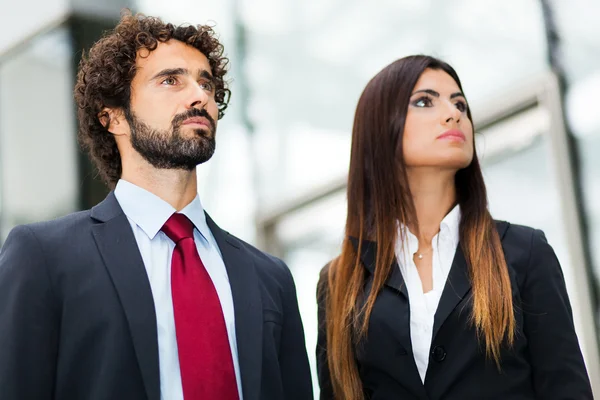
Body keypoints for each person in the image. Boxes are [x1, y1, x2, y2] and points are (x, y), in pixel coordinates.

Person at [0, 10, 313, 400]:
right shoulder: (44, 256)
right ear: (113, 117)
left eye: (206, 83)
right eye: (170, 80)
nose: (200, 95)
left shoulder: (270, 276)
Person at [316, 55, 593, 400]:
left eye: (460, 103)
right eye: (424, 101)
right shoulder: (340, 280)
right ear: (379, 126)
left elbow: (567, 389)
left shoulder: (525, 251)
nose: (454, 113)